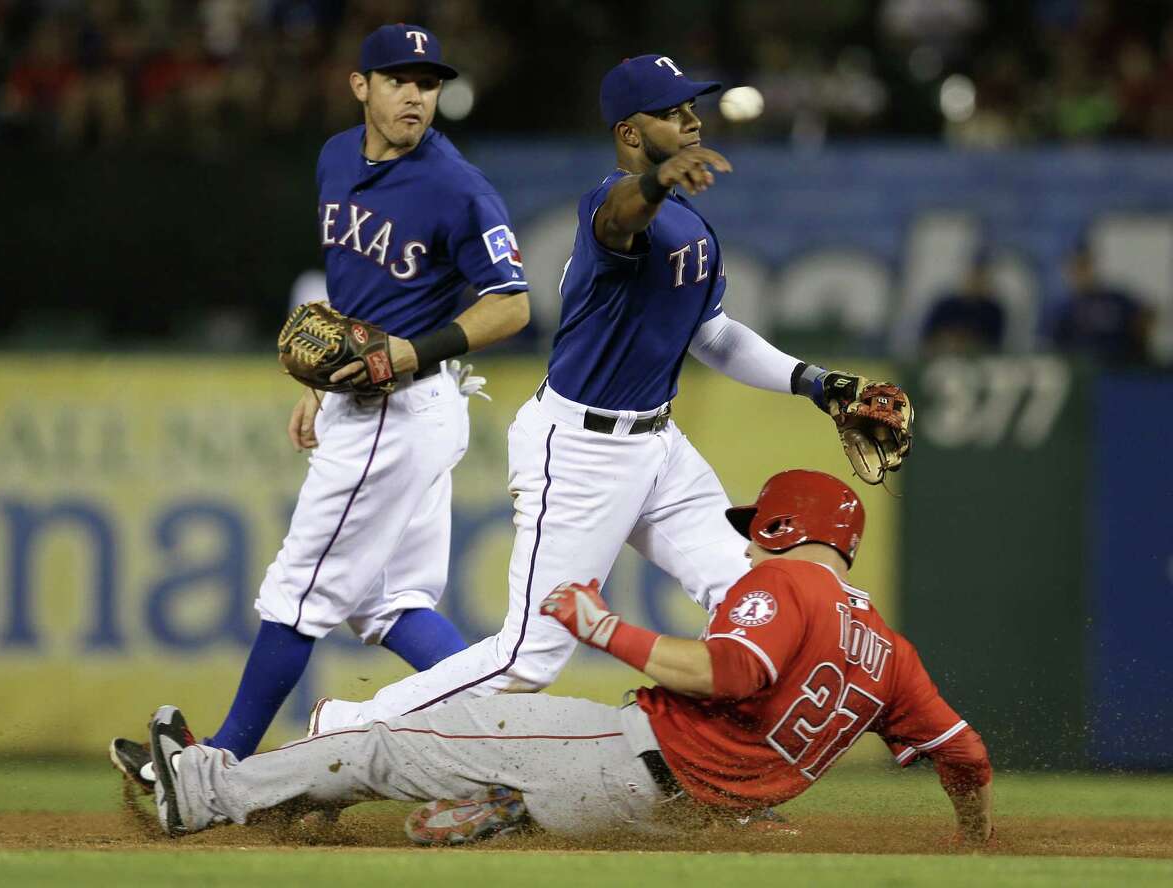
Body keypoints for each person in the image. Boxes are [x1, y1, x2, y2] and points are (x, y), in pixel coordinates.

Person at [306, 53, 906, 732]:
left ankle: (706, 772)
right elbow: (622, 218)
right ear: (629, 134)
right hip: (582, 451)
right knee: (526, 659)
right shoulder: (611, 207)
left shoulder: (689, 223)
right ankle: (340, 729)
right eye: (672, 113)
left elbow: (713, 336)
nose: (690, 122)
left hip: (658, 446)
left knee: (749, 593)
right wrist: (652, 181)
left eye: (692, 110)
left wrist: (820, 385)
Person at [126, 470, 994, 847]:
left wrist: (602, 626)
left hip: (630, 764)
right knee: (481, 760)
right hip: (679, 820)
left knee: (398, 738)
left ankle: (203, 793)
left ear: (782, 527)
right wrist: (974, 845)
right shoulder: (891, 654)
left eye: (758, 528)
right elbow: (966, 759)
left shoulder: (789, 591)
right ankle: (497, 810)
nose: (751, 545)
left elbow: (728, 674)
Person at [110, 23, 530, 776]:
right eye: (399, 78)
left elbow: (511, 305)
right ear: (359, 85)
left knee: (297, 587)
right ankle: (513, 742)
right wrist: (316, 385)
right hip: (372, 405)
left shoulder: (457, 186)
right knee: (388, 602)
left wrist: (410, 350)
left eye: (427, 82)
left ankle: (218, 763)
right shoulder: (335, 156)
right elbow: (351, 297)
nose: (415, 94)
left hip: (399, 408)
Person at [1052, 240, 1150, 364]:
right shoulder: (1065, 308)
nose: (1082, 273)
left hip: (1121, 366)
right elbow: (1055, 346)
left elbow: (1144, 316)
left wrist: (1141, 344)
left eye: (1085, 266)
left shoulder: (1115, 299)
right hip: (1085, 369)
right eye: (1077, 268)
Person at [920, 249, 1006, 355]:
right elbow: (927, 341)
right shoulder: (946, 306)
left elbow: (993, 347)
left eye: (982, 276)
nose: (976, 282)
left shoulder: (993, 311)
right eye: (973, 275)